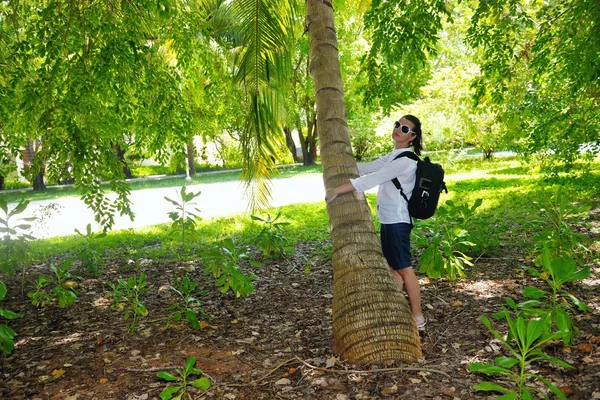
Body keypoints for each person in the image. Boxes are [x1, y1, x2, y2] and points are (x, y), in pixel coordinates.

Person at [325, 114, 426, 329]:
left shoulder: (406, 161)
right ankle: (395, 309)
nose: (399, 129)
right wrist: (338, 159)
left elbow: (370, 180)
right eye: (398, 125)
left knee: (405, 269)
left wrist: (336, 191)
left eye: (405, 129)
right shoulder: (394, 155)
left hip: (398, 221)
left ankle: (418, 317)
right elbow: (367, 168)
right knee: (393, 268)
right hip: (389, 219)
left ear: (412, 137)